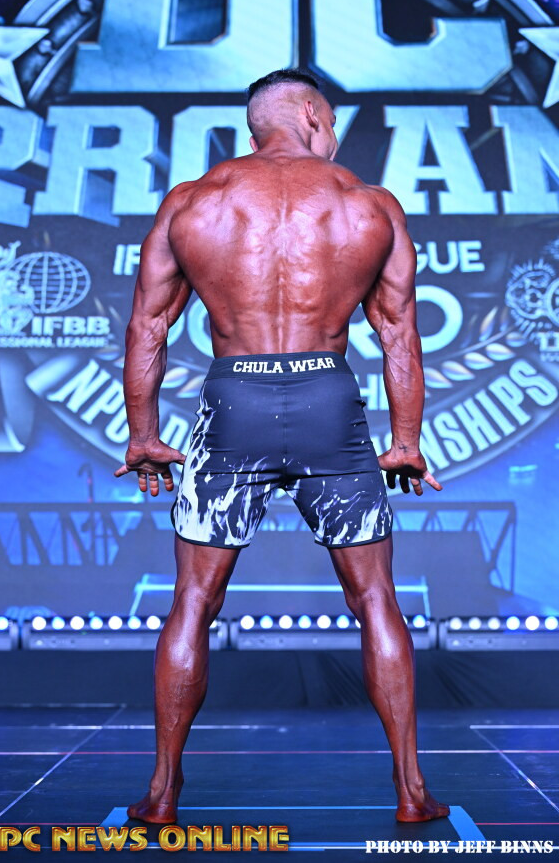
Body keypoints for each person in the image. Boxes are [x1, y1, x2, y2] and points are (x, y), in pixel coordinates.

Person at [115, 69, 448, 825]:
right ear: (310, 114)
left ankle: (162, 794)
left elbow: (147, 327)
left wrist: (143, 434)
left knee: (193, 603)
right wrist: (405, 442)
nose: (334, 137)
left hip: (235, 405)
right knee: (376, 600)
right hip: (330, 404)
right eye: (331, 122)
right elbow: (399, 333)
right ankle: (411, 792)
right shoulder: (369, 205)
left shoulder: (193, 203)